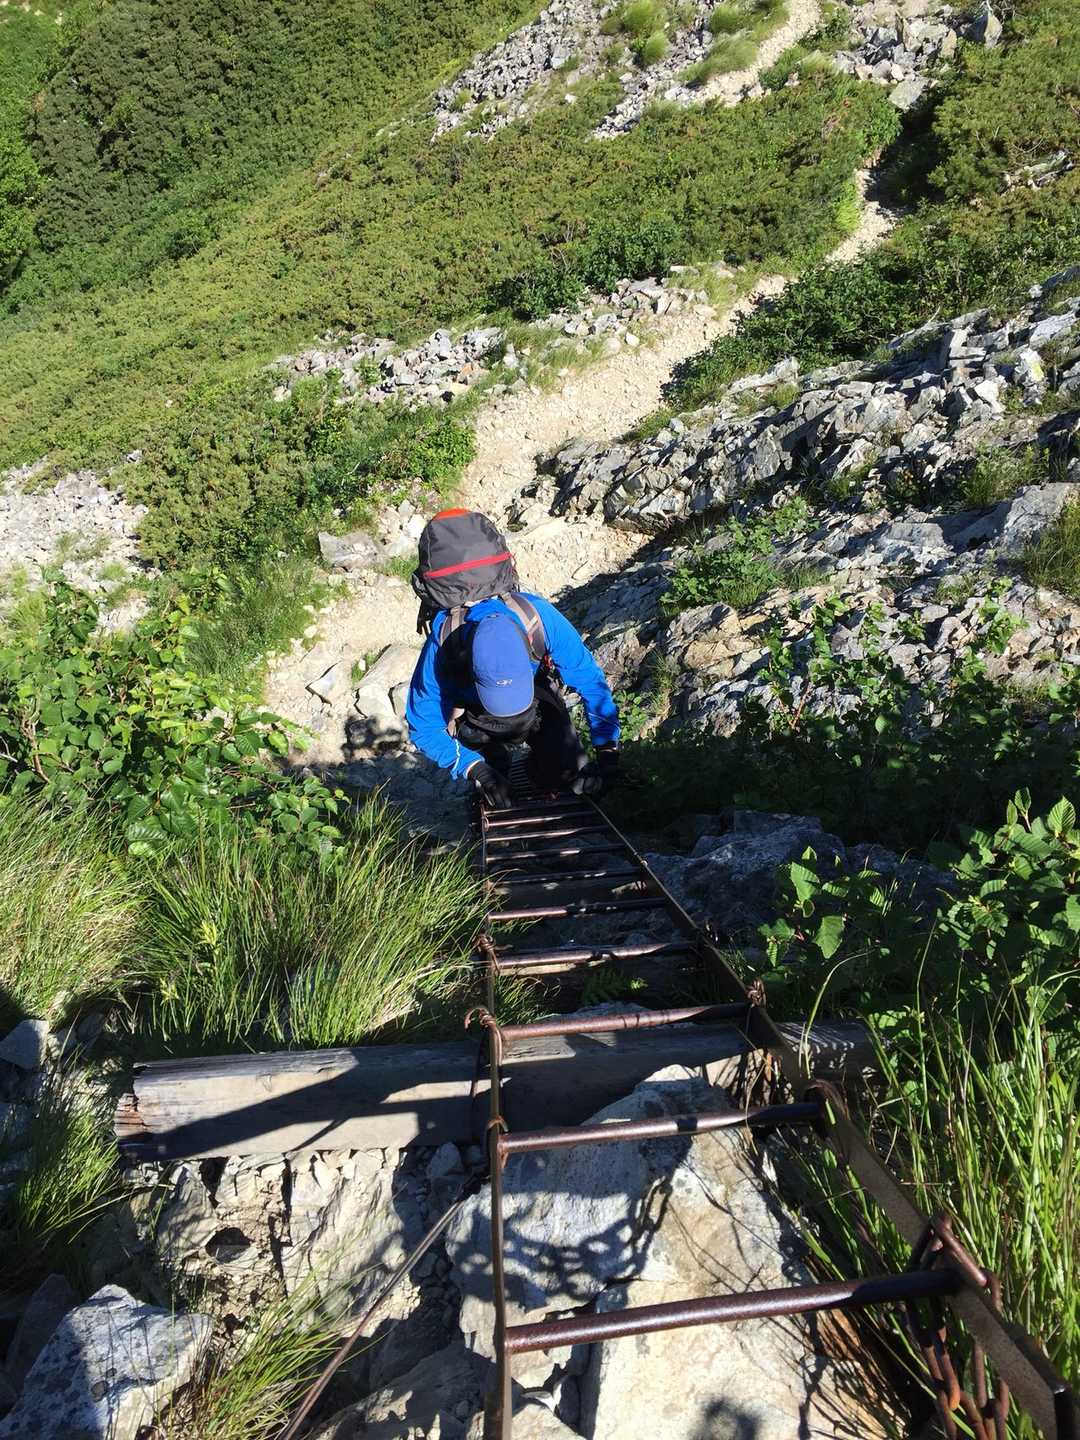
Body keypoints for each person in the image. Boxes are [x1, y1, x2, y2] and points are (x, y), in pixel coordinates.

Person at [404, 510, 620, 810]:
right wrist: (475, 769)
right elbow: (423, 726)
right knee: (491, 780)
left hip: (536, 703)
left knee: (571, 774)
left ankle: (540, 764)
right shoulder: (442, 645)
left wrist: (607, 750)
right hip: (475, 715)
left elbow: (591, 683)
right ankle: (495, 760)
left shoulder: (538, 619)